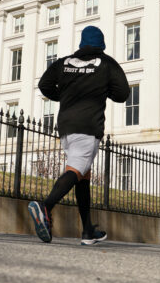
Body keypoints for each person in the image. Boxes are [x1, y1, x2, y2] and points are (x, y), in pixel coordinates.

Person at [28, 25, 129, 245]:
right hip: (88, 125)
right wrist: (104, 88)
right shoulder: (107, 63)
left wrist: (63, 95)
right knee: (75, 171)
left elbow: (44, 84)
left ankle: (87, 232)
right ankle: (45, 206)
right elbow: (123, 94)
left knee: (83, 176)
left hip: (66, 126)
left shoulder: (64, 62)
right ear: (101, 44)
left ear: (82, 43)